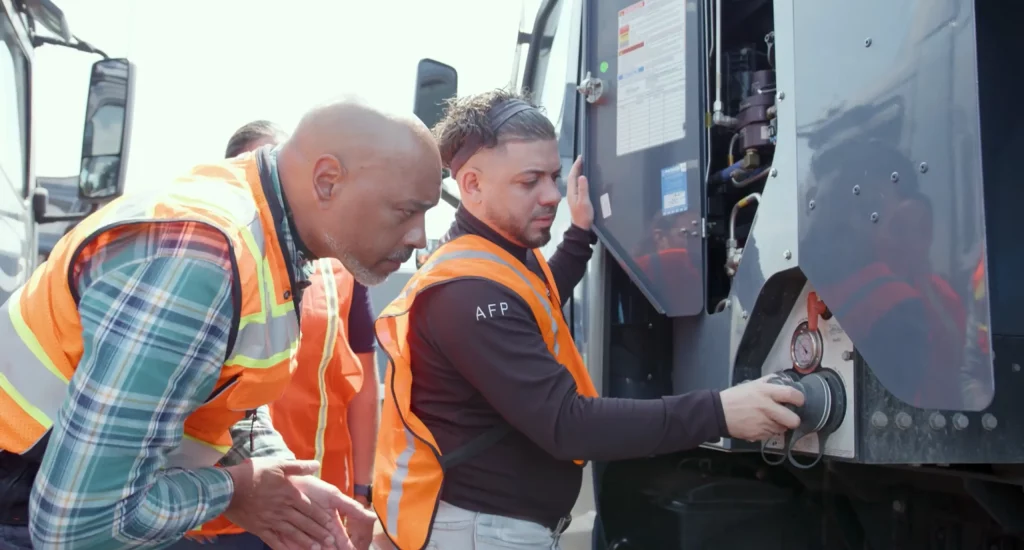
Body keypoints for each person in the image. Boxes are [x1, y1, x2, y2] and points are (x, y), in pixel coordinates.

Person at [370, 89, 805, 550]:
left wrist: (580, 235)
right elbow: (567, 425)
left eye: (555, 176)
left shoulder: (498, 258)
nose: (552, 195)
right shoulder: (467, 292)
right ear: (472, 185)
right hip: (481, 533)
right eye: (530, 181)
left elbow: (541, 297)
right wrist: (720, 412)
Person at [0, 98, 441, 550]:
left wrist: (279, 478)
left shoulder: (264, 232)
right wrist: (237, 490)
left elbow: (225, 393)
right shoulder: (201, 255)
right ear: (327, 181)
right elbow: (80, 526)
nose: (419, 237)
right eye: (406, 210)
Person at [171, 123, 382, 550]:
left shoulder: (339, 267)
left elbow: (363, 387)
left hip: (303, 504)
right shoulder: (211, 262)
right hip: (207, 510)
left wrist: (363, 487)